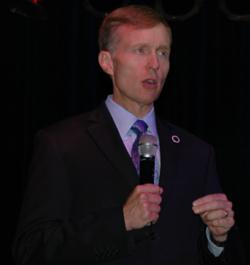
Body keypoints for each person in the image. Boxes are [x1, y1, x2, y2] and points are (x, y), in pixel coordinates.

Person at [12, 4, 245, 265]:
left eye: (163, 52)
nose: (155, 64)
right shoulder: (61, 144)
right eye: (141, 50)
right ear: (107, 62)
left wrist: (218, 238)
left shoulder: (197, 152)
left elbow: (212, 253)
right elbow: (31, 251)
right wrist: (120, 221)